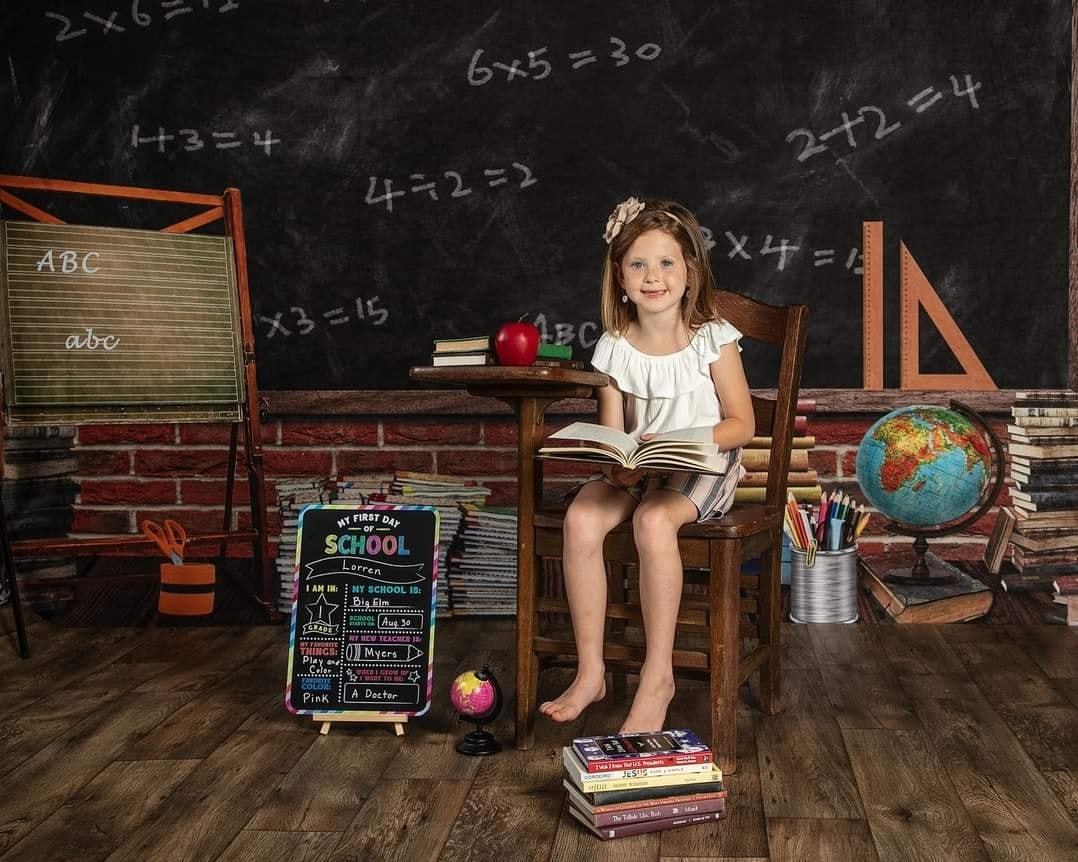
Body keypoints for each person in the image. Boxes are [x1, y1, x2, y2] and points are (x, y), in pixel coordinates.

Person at [538, 197, 754, 734]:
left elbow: (741, 424)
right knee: (582, 517)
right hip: (642, 464)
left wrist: (686, 437)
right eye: (637, 264)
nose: (652, 277)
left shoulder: (713, 337)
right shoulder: (614, 347)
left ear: (689, 271)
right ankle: (592, 672)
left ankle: (659, 675)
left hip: (702, 462)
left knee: (653, 521)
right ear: (619, 275)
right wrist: (619, 469)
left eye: (665, 263)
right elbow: (615, 431)